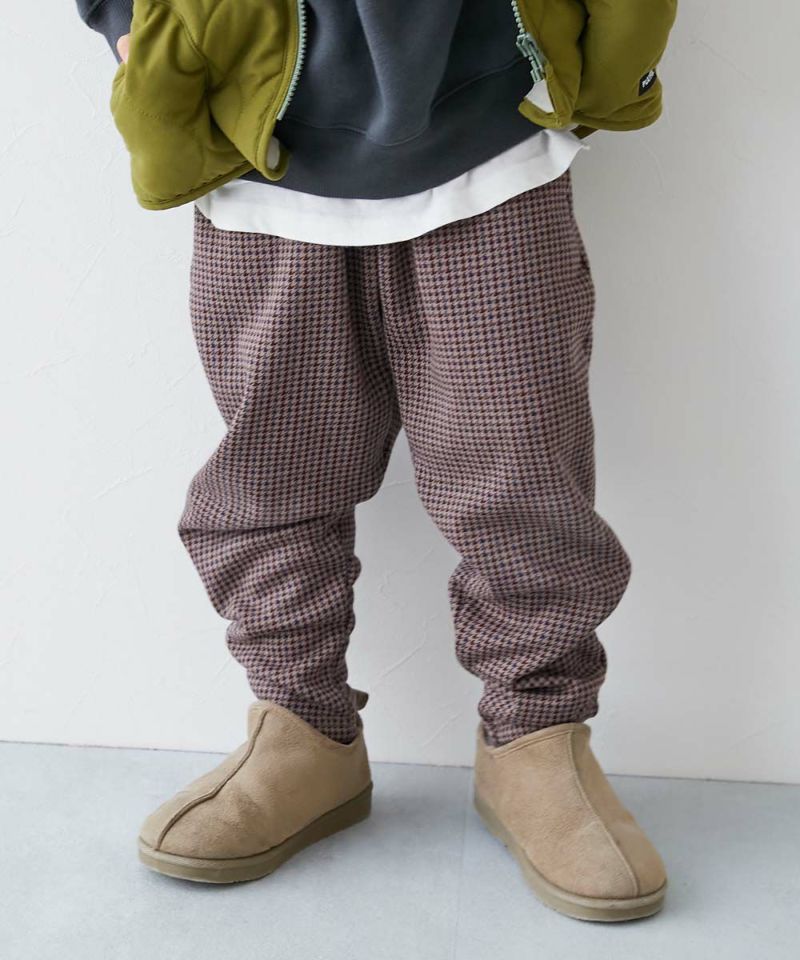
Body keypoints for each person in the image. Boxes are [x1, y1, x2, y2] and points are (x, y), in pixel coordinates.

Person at [76, 0, 677, 922]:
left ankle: (537, 737)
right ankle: (301, 729)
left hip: (495, 135)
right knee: (274, 475)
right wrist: (126, 19)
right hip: (257, 145)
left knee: (523, 472)